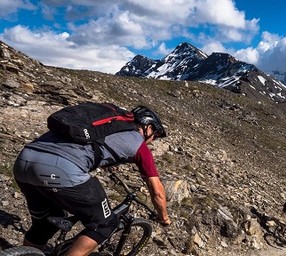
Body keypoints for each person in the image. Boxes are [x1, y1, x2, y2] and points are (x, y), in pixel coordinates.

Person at [13, 104, 171, 256]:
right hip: (61, 169)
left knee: (46, 222)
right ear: (148, 127)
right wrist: (163, 218)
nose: (152, 141)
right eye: (155, 136)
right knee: (106, 224)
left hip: (23, 161)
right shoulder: (139, 144)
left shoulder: (105, 125)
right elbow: (157, 192)